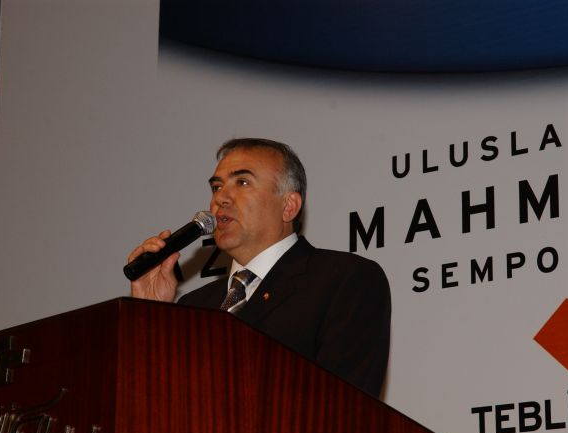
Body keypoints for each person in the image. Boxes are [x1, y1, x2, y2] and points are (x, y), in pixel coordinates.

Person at [127, 138, 391, 397]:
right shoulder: (194, 306)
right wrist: (149, 317)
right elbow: (155, 401)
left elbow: (345, 406)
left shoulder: (345, 280)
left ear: (289, 206)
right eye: (217, 187)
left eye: (242, 182)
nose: (221, 198)